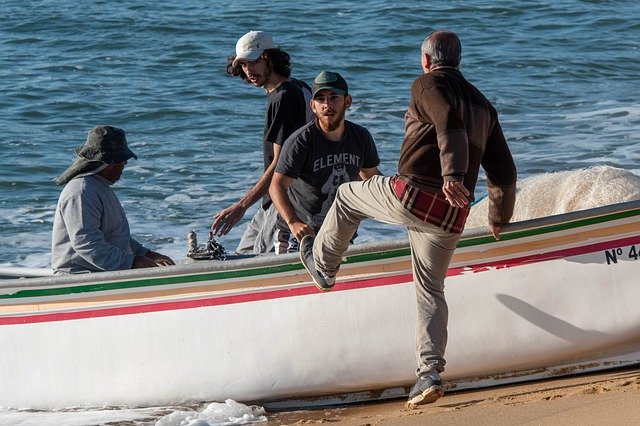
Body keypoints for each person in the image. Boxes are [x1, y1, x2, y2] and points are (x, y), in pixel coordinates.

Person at [299, 31, 517, 408]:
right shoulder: (484, 105)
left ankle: (323, 266)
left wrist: (451, 175)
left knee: (348, 195)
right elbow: (504, 171)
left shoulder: (426, 84)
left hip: (415, 195)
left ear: (427, 61)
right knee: (430, 289)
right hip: (452, 214)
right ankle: (428, 375)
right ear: (458, 61)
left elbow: (448, 121)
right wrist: (499, 215)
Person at [211, 30, 313, 255]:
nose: (249, 70)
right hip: (276, 198)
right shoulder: (299, 87)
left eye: (254, 62)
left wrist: (241, 206)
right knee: (241, 257)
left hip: (286, 198)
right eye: (244, 64)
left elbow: (281, 163)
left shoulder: (283, 99)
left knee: (257, 263)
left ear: (270, 58)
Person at [269, 71, 381, 254]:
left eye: (334, 98)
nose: (327, 105)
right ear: (313, 106)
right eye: (321, 99)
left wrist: (400, 197)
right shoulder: (301, 141)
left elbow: (372, 179)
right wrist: (293, 222)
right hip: (299, 232)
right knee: (301, 281)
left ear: (348, 101)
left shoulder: (360, 137)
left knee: (338, 280)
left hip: (340, 230)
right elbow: (277, 186)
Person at [52, 125, 175, 274]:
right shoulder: (81, 192)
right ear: (110, 162)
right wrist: (132, 262)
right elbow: (86, 244)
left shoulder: (99, 187)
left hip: (104, 273)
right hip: (80, 278)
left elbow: (116, 237)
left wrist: (145, 253)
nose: (125, 164)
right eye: (122, 160)